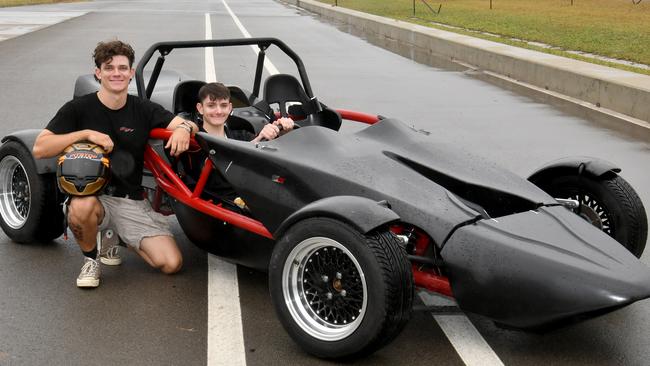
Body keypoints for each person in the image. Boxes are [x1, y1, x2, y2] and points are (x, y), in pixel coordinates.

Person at [32, 40, 199, 288]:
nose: (116, 73)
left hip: (130, 199)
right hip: (91, 197)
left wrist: (184, 129)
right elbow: (40, 148)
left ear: (131, 73)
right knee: (82, 208)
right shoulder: (78, 108)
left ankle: (114, 234)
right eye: (109, 68)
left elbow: (190, 124)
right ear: (98, 73)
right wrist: (85, 134)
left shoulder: (143, 109)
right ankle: (91, 259)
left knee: (171, 263)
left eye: (122, 68)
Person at [183, 82, 294, 205]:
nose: (218, 111)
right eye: (211, 105)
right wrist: (184, 127)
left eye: (223, 105)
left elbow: (266, 153)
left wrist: (279, 131)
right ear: (200, 108)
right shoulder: (195, 142)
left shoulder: (240, 135)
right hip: (222, 205)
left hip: (252, 194)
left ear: (230, 108)